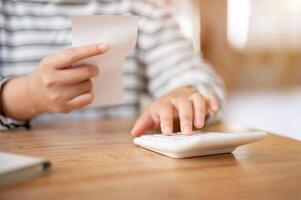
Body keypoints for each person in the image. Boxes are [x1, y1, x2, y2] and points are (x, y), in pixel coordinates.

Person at [0, 0, 225, 136]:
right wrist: (29, 94)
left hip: (121, 167)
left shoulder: (140, 7)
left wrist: (183, 94)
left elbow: (194, 74)